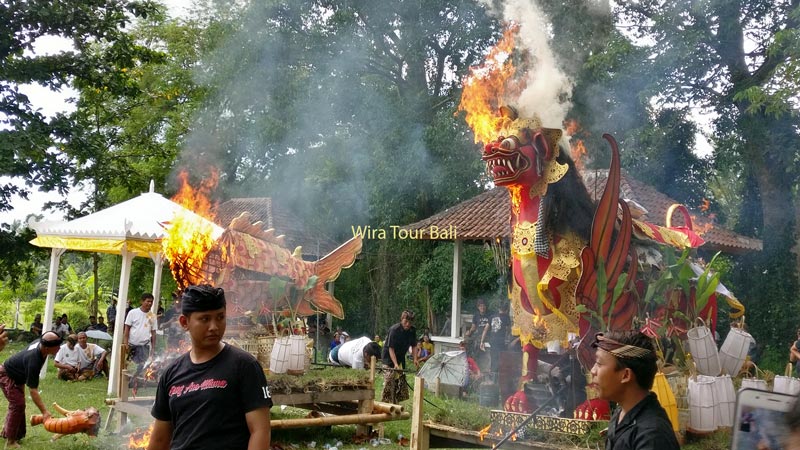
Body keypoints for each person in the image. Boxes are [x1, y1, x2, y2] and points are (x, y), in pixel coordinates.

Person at [148, 285, 272, 450]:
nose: (214, 326)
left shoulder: (245, 366)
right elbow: (159, 440)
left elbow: (260, 432)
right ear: (185, 322)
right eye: (205, 319)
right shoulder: (171, 374)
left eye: (220, 317)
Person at [590, 331, 679, 450]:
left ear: (626, 375)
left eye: (599, 363)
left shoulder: (652, 437)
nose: (592, 371)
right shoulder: (621, 412)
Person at [0, 331, 62, 448]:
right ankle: (10, 441)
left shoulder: (42, 347)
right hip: (7, 375)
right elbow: (33, 390)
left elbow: (25, 370)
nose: (59, 348)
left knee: (18, 404)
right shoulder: (34, 359)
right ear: (47, 348)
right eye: (57, 346)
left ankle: (9, 433)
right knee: (18, 404)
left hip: (17, 375)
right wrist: (44, 412)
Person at [381, 310, 417, 403]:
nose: (408, 324)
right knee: (389, 378)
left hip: (400, 357)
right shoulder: (394, 330)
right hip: (389, 357)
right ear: (402, 320)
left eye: (410, 322)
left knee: (400, 380)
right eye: (406, 322)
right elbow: (391, 348)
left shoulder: (412, 330)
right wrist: (395, 364)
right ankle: (385, 402)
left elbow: (414, 346)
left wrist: (415, 359)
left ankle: (395, 401)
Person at [123, 293, 157, 370]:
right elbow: (127, 329)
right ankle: (128, 381)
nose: (150, 303)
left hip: (145, 347)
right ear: (142, 301)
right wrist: (126, 344)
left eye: (151, 302)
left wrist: (153, 349)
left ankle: (138, 382)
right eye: (148, 301)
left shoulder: (152, 316)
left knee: (142, 369)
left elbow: (154, 333)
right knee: (129, 368)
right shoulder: (133, 313)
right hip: (132, 345)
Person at [481, 303, 510, 378]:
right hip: (501, 342)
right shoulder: (506, 317)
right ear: (506, 310)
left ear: (499, 309)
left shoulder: (492, 317)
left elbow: (485, 329)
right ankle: (497, 379)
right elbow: (508, 330)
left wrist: (482, 341)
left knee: (494, 359)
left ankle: (492, 378)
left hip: (493, 342)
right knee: (501, 361)